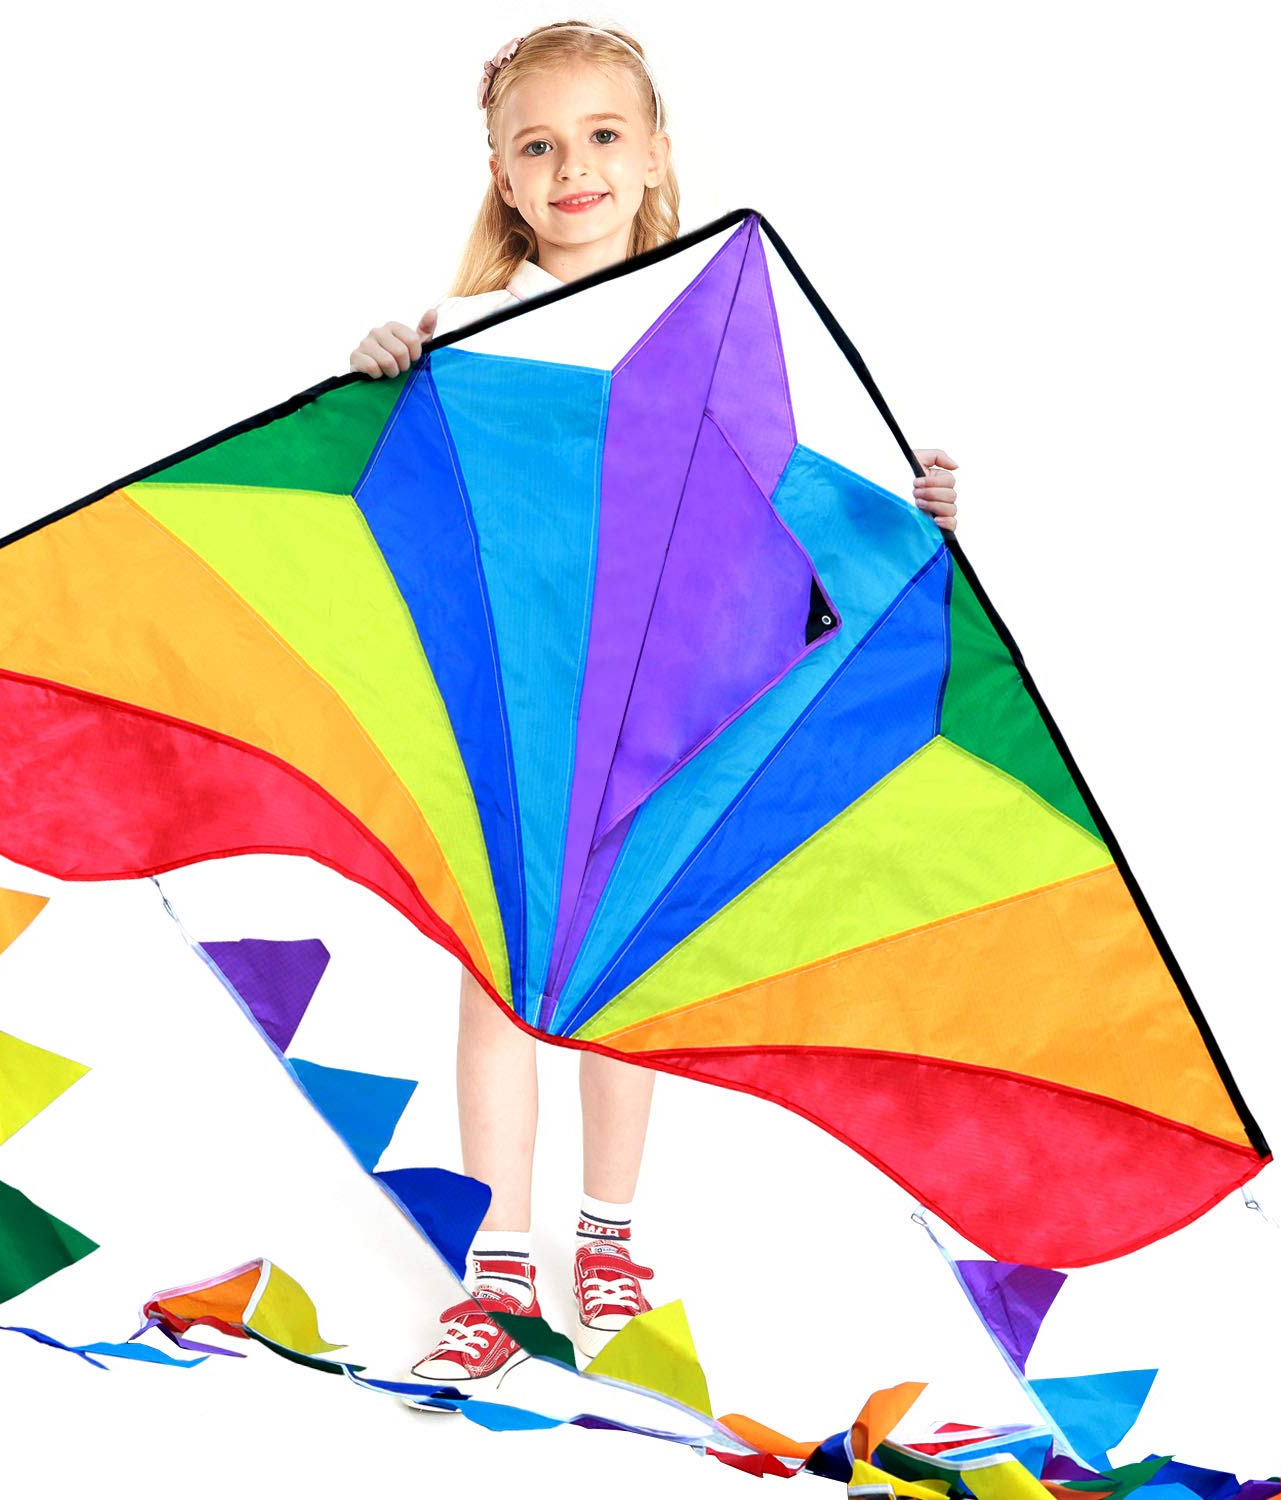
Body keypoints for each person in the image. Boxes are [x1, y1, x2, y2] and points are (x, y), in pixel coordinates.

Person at [348, 19, 961, 1395]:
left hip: (670, 703)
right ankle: (498, 1266)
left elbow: (782, 488)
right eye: (539, 145)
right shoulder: (463, 336)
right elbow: (399, 499)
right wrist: (381, 371)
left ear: (656, 154)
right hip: (514, 707)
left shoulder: (709, 312)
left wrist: (910, 511)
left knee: (621, 970)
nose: (574, 165)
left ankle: (608, 1237)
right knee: (498, 976)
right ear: (503, 178)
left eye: (603, 135)